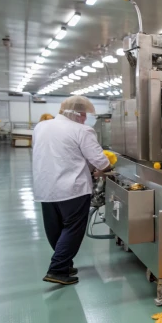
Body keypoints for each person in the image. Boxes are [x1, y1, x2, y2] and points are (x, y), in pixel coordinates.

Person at [32, 96, 113, 285]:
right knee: (72, 229)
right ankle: (58, 269)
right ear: (75, 114)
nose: (85, 119)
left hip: (45, 187)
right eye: (84, 115)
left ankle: (64, 263)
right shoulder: (82, 130)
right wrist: (106, 169)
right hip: (72, 188)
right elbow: (100, 160)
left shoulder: (41, 127)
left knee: (55, 228)